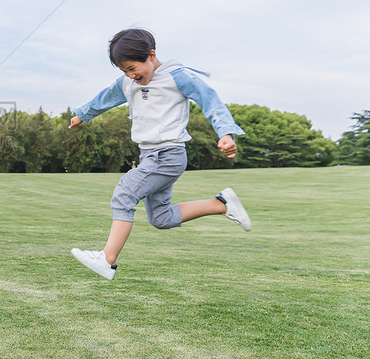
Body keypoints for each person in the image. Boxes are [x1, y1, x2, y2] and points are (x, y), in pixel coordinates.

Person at [68, 28, 251, 280]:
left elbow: (210, 101)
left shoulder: (177, 77)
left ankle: (107, 259)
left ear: (151, 55)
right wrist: (83, 114)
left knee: (124, 193)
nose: (131, 76)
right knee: (161, 218)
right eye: (124, 71)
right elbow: (106, 97)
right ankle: (221, 204)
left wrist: (225, 133)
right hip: (148, 155)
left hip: (168, 154)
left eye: (133, 68)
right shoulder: (128, 83)